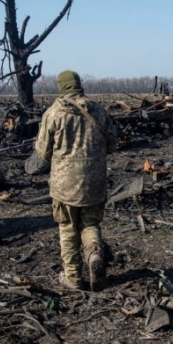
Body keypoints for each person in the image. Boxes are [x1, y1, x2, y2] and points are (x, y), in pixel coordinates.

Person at [35, 70, 118, 291]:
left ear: (61, 86)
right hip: (95, 182)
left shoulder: (54, 113)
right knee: (90, 224)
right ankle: (94, 254)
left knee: (67, 228)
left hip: (65, 186)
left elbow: (43, 152)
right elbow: (113, 143)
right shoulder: (98, 110)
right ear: (79, 84)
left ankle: (73, 277)